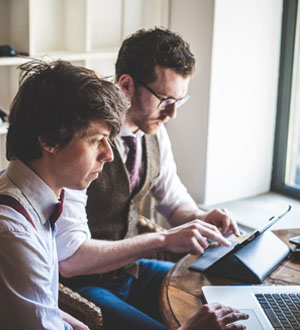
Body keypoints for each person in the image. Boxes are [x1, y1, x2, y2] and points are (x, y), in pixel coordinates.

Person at [57, 28, 246, 330]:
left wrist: (201, 218)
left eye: (179, 101)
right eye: (165, 99)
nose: (171, 113)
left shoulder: (154, 132)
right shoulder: (83, 143)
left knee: (223, 293)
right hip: (83, 286)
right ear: (127, 84)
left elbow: (173, 201)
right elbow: (69, 258)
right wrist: (163, 240)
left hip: (130, 271)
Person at [0, 59, 127, 329]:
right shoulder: (13, 233)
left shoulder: (22, 190)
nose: (109, 154)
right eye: (96, 141)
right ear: (49, 140)